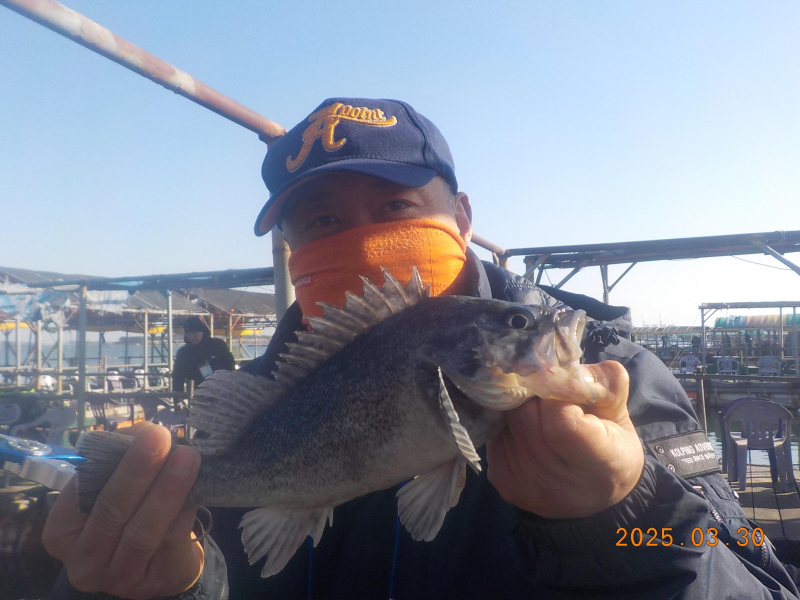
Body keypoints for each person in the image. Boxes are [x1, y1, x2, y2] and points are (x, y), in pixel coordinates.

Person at [44, 98, 800, 599]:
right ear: (290, 246)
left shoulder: (616, 379)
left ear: (462, 217)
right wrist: (170, 586)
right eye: (321, 222)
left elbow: (759, 582)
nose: (362, 239)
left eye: (395, 206)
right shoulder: (270, 388)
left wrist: (620, 514)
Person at [172, 316, 236, 393]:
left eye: (195, 333)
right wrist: (178, 396)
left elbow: (230, 367)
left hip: (221, 390)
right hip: (197, 392)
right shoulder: (183, 352)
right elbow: (178, 376)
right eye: (188, 334)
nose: (192, 337)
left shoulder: (218, 345)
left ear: (203, 331)